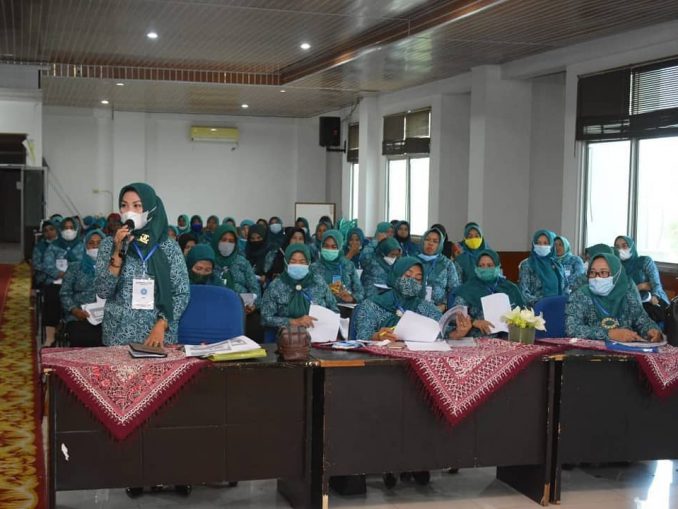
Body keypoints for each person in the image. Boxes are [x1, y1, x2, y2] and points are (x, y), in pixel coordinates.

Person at [95, 183, 190, 346]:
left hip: (158, 336)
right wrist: (117, 251)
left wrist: (162, 324)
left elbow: (181, 293)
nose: (129, 211)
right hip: (118, 334)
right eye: (124, 205)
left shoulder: (169, 247)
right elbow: (103, 291)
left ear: (151, 209)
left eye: (137, 206)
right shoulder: (109, 244)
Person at [565, 253, 662, 342]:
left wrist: (652, 330)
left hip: (625, 351)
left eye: (603, 273)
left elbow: (643, 321)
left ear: (617, 274)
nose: (597, 278)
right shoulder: (580, 296)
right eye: (592, 272)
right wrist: (609, 334)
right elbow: (572, 329)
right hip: (587, 352)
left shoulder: (627, 296)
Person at [353, 257, 442, 341]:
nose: (412, 281)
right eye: (407, 276)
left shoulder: (426, 307)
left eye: (418, 279)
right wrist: (377, 336)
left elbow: (442, 331)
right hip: (380, 351)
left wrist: (450, 333)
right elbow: (362, 336)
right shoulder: (372, 305)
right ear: (396, 275)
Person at [448, 249, 524, 339]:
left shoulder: (510, 288)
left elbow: (523, 313)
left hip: (508, 338)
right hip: (477, 338)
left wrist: (514, 321)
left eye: (490, 265)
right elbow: (455, 315)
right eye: (481, 266)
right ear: (476, 268)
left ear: (498, 266)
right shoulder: (467, 289)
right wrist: (475, 322)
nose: (485, 269)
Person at [261, 243, 338, 329]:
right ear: (286, 262)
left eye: (302, 262)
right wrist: (293, 322)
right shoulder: (276, 285)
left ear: (309, 263)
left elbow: (334, 308)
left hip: (318, 332)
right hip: (288, 334)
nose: (298, 265)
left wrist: (324, 321)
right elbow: (265, 318)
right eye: (293, 262)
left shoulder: (318, 282)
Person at [42, 217, 85, 346]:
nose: (68, 230)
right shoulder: (53, 246)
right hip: (57, 281)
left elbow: (85, 265)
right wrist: (63, 274)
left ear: (76, 229)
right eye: (65, 228)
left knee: (79, 297)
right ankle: (50, 336)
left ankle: (69, 327)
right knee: (52, 297)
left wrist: (72, 277)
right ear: (60, 230)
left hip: (76, 284)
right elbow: (47, 265)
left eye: (71, 227)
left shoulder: (82, 246)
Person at [59, 229, 105, 347]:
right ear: (85, 246)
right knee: (83, 337)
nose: (95, 246)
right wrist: (75, 311)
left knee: (108, 338)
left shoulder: (113, 267)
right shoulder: (75, 267)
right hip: (79, 316)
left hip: (106, 316)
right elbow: (64, 293)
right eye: (91, 243)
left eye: (99, 243)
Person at [311, 230, 364, 304]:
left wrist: (352, 298)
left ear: (340, 248)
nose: (329, 249)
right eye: (326, 246)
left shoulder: (348, 265)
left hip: (345, 307)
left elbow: (360, 292)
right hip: (322, 308)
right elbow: (309, 293)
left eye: (334, 247)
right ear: (321, 246)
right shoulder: (314, 268)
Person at [211, 224, 261, 303]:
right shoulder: (208, 261)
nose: (227, 244)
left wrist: (249, 303)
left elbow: (255, 290)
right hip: (214, 304)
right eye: (223, 240)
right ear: (216, 240)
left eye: (231, 241)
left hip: (241, 304)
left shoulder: (242, 262)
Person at [614, 235, 669, 307]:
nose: (620, 250)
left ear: (632, 247)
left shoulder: (645, 261)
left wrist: (654, 296)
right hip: (630, 303)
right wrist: (641, 286)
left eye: (624, 246)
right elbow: (619, 291)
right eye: (617, 247)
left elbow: (656, 284)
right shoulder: (617, 266)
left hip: (653, 301)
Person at [519, 229, 565, 307]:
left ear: (551, 245)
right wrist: (543, 303)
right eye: (538, 243)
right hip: (537, 309)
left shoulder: (557, 265)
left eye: (545, 243)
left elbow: (565, 288)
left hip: (557, 307)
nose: (542, 246)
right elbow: (524, 294)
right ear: (534, 244)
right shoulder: (527, 265)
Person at [417, 228, 460, 311]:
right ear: (422, 241)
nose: (430, 243)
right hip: (413, 308)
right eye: (427, 240)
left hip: (439, 309)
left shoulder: (447, 264)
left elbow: (454, 290)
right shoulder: (413, 261)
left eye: (435, 241)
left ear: (440, 245)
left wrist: (445, 306)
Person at [32, 220, 58, 287]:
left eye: (51, 229)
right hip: (45, 277)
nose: (49, 232)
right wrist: (53, 272)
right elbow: (36, 265)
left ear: (56, 230)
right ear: (43, 233)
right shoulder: (39, 247)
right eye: (46, 231)